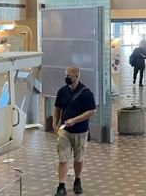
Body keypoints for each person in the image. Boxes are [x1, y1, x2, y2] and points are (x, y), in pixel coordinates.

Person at [53, 66, 97, 196]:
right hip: (64, 131)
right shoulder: (62, 91)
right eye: (65, 75)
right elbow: (57, 108)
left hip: (80, 131)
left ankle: (77, 180)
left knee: (78, 158)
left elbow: (91, 111)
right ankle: (61, 186)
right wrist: (54, 123)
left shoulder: (86, 93)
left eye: (69, 76)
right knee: (63, 158)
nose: (67, 78)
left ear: (76, 77)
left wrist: (75, 120)